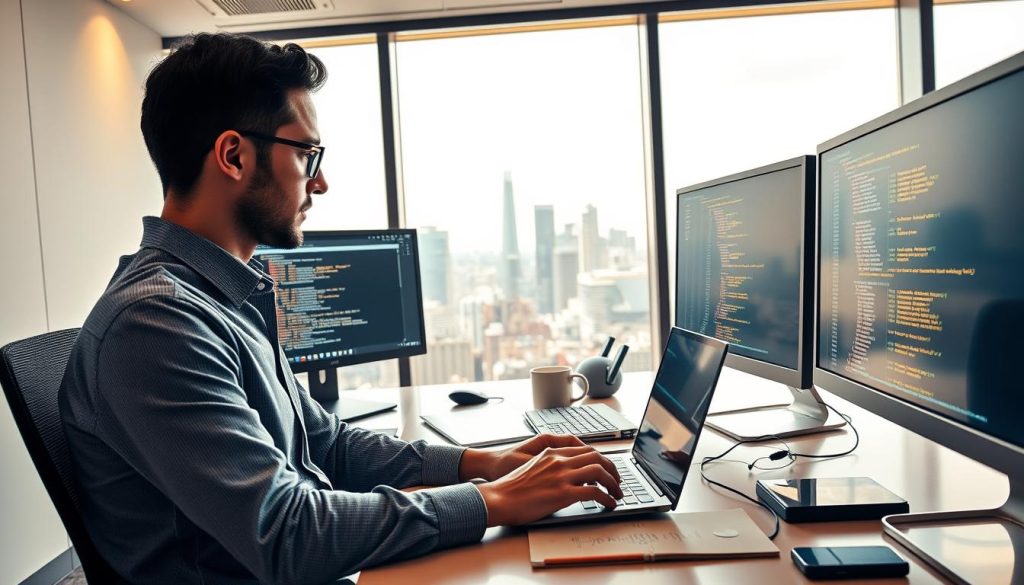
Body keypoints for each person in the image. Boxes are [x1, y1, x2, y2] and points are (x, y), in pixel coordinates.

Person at [59, 33, 623, 585]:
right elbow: (288, 536)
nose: (321, 182)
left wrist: (483, 464)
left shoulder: (222, 297)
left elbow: (325, 443)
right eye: (307, 154)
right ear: (233, 156)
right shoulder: (156, 325)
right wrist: (493, 500)